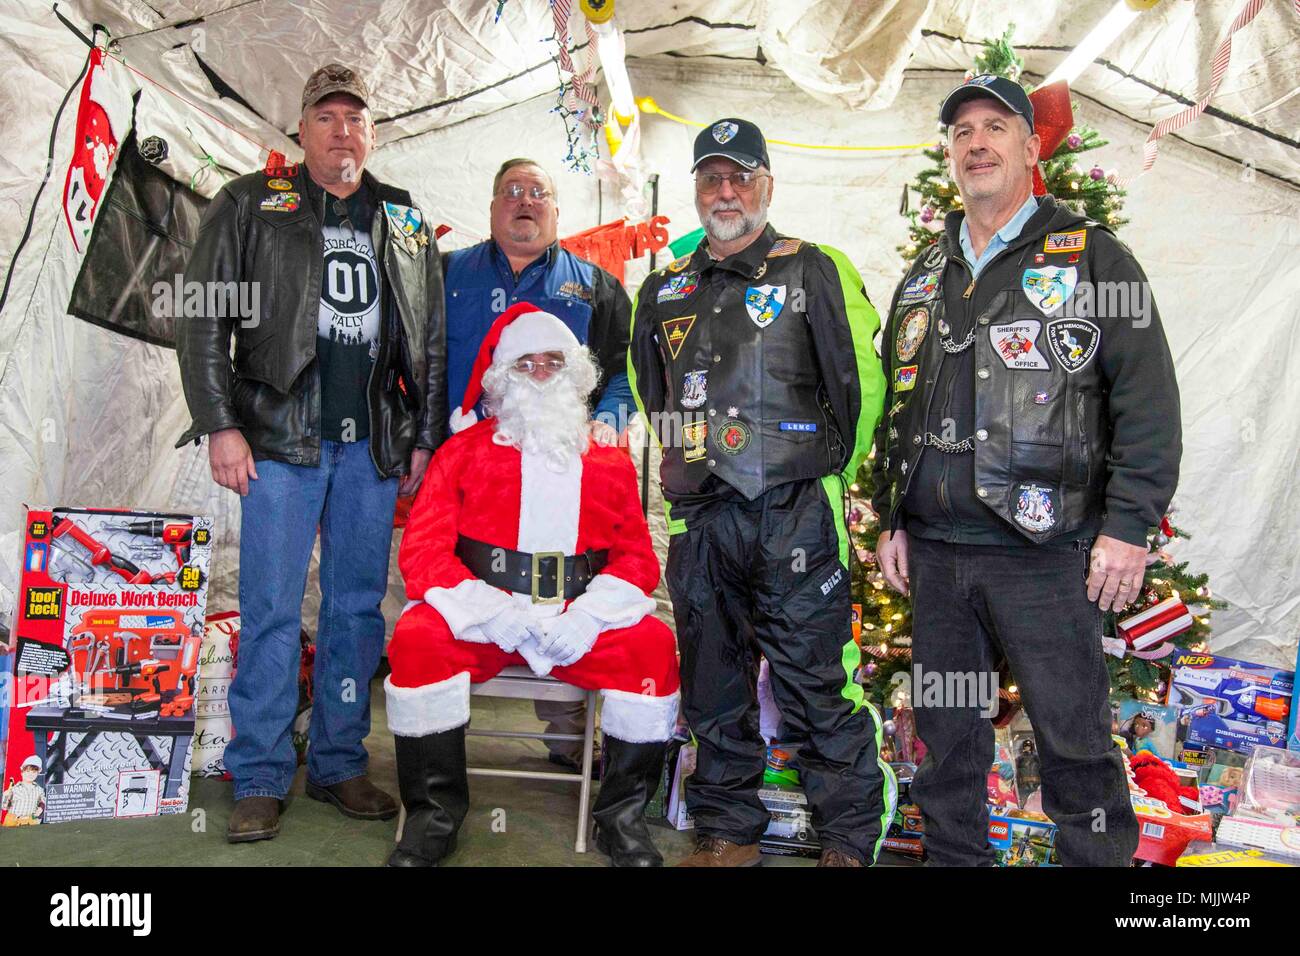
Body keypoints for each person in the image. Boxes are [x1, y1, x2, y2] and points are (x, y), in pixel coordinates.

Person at [870, 75, 1182, 866]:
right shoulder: (924, 274)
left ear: (1031, 149)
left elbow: (1148, 400)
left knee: (1075, 743)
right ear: (949, 153)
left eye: (996, 127)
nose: (977, 143)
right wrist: (893, 516)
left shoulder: (1095, 257)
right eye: (962, 131)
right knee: (948, 743)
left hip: (1045, 558)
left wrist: (1128, 526)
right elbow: (900, 408)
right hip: (938, 560)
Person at [176, 63, 447, 843]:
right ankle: (259, 771)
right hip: (279, 440)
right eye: (326, 117)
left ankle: (337, 762)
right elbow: (200, 318)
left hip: (370, 448)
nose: (341, 131)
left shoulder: (403, 217)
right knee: (268, 607)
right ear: (300, 129)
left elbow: (428, 339)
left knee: (357, 611)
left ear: (372, 132)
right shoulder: (251, 202)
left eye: (355, 119)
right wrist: (220, 423)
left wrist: (424, 435)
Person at [628, 118, 893, 867]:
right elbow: (656, 396)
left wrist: (827, 469)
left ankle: (847, 840)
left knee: (815, 684)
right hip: (703, 515)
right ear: (696, 189)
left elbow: (861, 385)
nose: (726, 190)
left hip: (795, 511)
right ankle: (728, 831)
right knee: (713, 681)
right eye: (712, 176)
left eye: (741, 175)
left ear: (767, 185)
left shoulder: (813, 268)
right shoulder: (663, 289)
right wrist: (687, 469)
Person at [384, 302, 680, 868]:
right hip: (485, 617)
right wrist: (491, 612)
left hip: (577, 615)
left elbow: (637, 558)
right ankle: (433, 817)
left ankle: (621, 820)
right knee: (418, 638)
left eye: (554, 362)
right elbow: (422, 552)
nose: (542, 374)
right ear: (501, 377)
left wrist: (589, 617)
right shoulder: (461, 453)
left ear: (577, 374)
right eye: (526, 364)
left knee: (651, 646)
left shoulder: (610, 461)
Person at [442, 158, 635, 771]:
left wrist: (610, 417)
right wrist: (424, 442)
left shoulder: (596, 285)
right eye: (512, 192)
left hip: (562, 467)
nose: (525, 202)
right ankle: (444, 731)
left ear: (557, 209)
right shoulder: (447, 274)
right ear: (493, 204)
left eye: (539, 193)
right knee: (460, 575)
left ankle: (569, 739)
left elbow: (625, 369)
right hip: (471, 466)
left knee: (560, 583)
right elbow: (418, 358)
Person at [1, 756, 46, 825]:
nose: (30, 774)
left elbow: (43, 801)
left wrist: (41, 808)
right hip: (12, 821)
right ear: (22, 772)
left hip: (30, 821)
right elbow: (4, 807)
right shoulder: (14, 789)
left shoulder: (39, 790)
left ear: (37, 773)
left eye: (34, 772)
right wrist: (6, 797)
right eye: (27, 771)